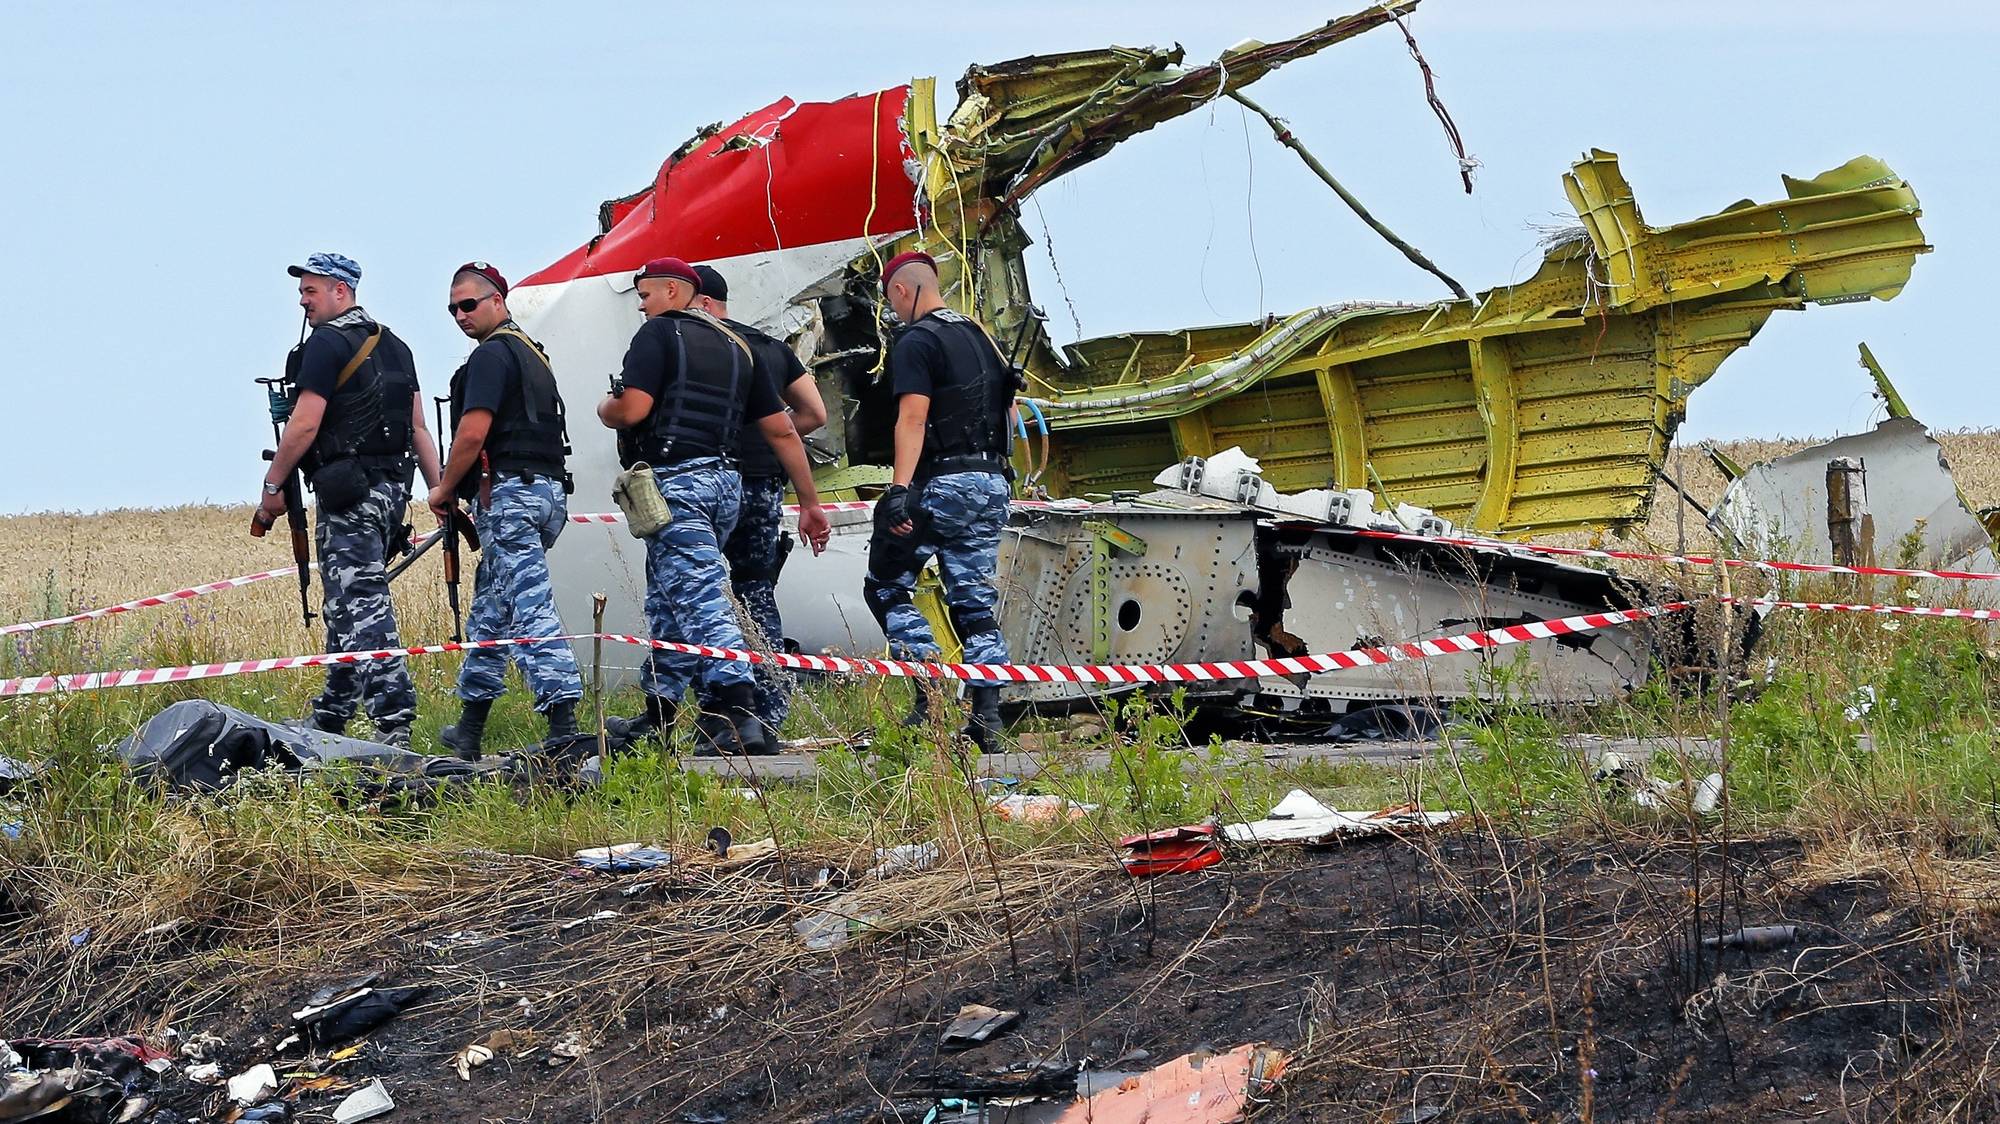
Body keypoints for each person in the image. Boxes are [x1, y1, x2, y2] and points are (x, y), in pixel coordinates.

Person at [597, 256, 831, 755]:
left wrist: (605, 408)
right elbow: (784, 428)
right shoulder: (740, 346)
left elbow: (632, 409)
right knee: (668, 600)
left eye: (646, 294)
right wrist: (810, 501)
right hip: (728, 484)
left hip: (678, 483)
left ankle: (741, 713)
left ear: (677, 292)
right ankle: (657, 715)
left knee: (702, 599)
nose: (641, 306)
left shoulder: (659, 336)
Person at [253, 252, 441, 749]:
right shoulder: (396, 345)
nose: (302, 300)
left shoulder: (325, 345)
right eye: (301, 292)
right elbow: (418, 427)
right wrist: (438, 488)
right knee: (344, 600)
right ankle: (332, 714)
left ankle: (393, 722)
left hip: (349, 493)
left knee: (362, 602)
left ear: (341, 290)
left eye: (311, 291)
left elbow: (305, 422)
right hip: (392, 488)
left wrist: (273, 486)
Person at [428, 262, 585, 760]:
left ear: (498, 300)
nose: (459, 315)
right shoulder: (533, 354)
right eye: (452, 308)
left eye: (468, 304)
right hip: (544, 493)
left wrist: (444, 489)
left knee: (529, 606)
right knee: (492, 611)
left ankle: (564, 724)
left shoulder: (492, 357)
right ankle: (469, 727)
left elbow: (472, 433)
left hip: (509, 496)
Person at [863, 251, 1018, 752]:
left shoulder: (917, 340)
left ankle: (928, 692)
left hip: (942, 484)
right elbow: (1010, 415)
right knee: (973, 603)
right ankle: (987, 715)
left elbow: (912, 418)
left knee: (885, 584)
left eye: (892, 301)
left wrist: (899, 492)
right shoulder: (982, 337)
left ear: (903, 292)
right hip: (992, 483)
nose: (894, 311)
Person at [688, 263, 828, 745]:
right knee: (756, 593)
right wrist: (770, 445)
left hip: (708, 482)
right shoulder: (769, 348)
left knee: (699, 595)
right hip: (764, 486)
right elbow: (814, 413)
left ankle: (720, 710)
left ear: (700, 301)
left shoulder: (692, 344)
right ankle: (769, 710)